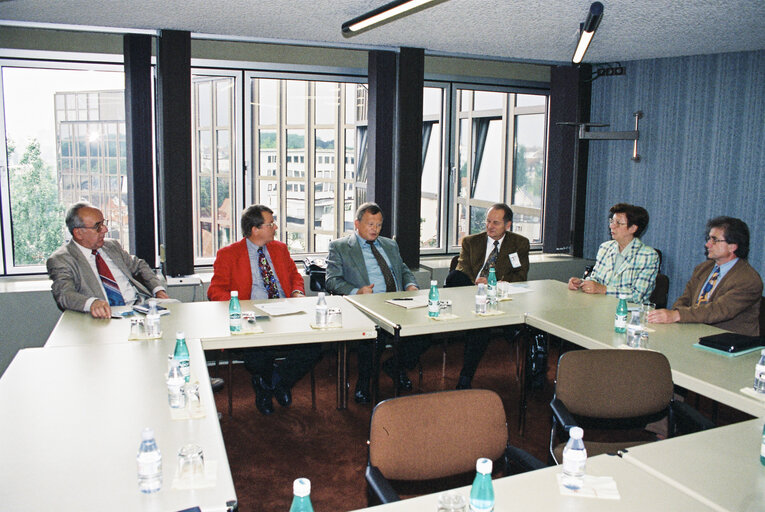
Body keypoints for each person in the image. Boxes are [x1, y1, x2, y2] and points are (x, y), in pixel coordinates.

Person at [208, 204, 321, 416]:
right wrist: (239, 307)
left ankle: (275, 382)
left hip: (285, 312)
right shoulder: (228, 254)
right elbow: (215, 290)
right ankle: (269, 387)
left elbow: (295, 276)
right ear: (255, 229)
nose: (275, 227)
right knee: (259, 352)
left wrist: (297, 292)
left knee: (317, 343)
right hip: (251, 317)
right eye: (270, 224)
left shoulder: (280, 249)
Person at [325, 202, 425, 404]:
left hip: (398, 302)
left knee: (424, 333)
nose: (375, 229)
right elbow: (331, 280)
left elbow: (403, 269)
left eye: (379, 225)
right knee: (373, 341)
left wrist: (411, 285)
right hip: (366, 306)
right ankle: (363, 384)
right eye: (370, 224)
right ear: (357, 223)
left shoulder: (390, 244)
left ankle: (394, 367)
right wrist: (357, 291)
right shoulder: (340, 247)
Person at [446, 203, 530, 389]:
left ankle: (465, 377)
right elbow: (461, 270)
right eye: (488, 221)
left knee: (481, 327)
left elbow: (520, 276)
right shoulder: (470, 242)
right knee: (454, 277)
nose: (490, 226)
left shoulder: (519, 244)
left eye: (496, 223)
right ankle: (466, 376)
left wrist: (492, 282)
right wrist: (477, 284)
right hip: (469, 293)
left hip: (498, 298)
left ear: (508, 225)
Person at [47, 201, 169, 319]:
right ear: (78, 233)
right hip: (105, 316)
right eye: (98, 227)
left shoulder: (111, 246)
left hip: (140, 308)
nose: (105, 230)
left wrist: (158, 290)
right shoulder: (61, 259)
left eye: (104, 224)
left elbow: (139, 265)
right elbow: (64, 294)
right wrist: (92, 303)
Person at [647, 216, 762, 336]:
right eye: (709, 239)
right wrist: (676, 312)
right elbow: (684, 299)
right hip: (694, 333)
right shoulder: (703, 268)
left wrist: (677, 315)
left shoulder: (748, 280)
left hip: (728, 342)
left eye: (714, 240)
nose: (708, 244)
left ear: (732, 246)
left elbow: (719, 310)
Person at [568, 203, 659, 304]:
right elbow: (596, 279)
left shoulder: (648, 256)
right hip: (601, 306)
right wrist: (581, 283)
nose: (611, 226)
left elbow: (637, 296)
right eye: (611, 221)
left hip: (630, 313)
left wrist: (603, 289)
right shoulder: (605, 248)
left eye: (618, 223)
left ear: (633, 228)